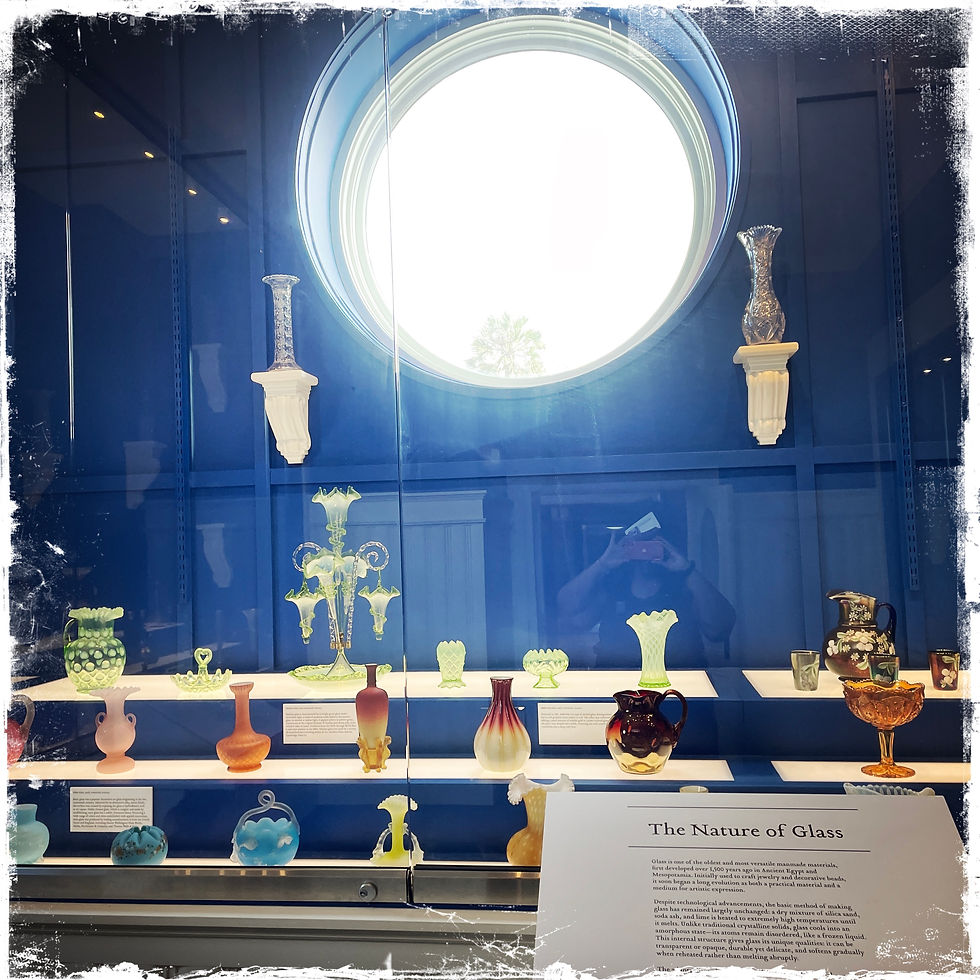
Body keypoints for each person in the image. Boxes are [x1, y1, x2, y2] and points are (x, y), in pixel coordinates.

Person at [556, 528, 735, 667]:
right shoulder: (613, 588)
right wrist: (602, 564)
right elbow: (567, 606)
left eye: (654, 547)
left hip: (680, 695)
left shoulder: (685, 588)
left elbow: (719, 630)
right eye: (641, 547)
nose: (647, 553)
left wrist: (687, 569)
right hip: (620, 695)